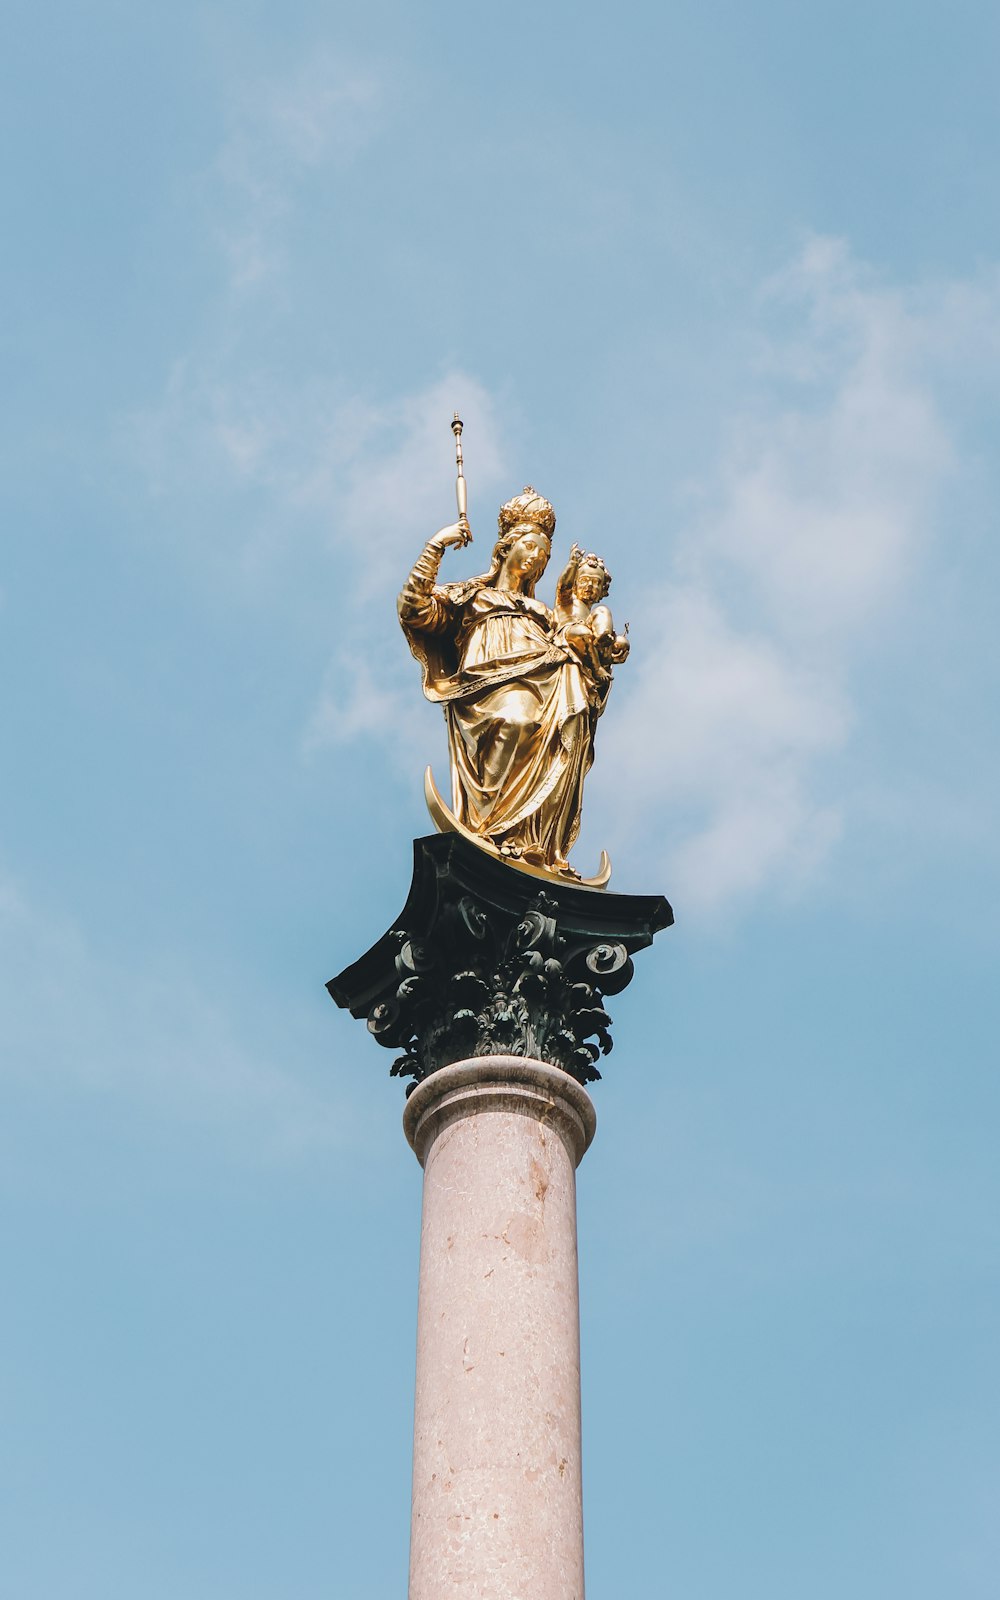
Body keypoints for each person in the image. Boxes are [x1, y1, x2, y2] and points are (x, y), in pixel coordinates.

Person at [398, 487, 597, 876]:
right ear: (506, 547)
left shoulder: (543, 612)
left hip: (547, 676)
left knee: (565, 730)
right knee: (515, 720)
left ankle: (531, 842)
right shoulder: (473, 597)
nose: (538, 556)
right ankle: (488, 826)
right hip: (489, 685)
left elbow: (579, 643)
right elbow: (415, 608)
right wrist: (437, 545)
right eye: (530, 545)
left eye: (545, 553)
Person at [554, 543, 630, 694]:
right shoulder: (567, 601)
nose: (589, 585)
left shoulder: (593, 613)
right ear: (575, 584)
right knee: (582, 632)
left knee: (603, 612)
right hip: (568, 633)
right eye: (584, 580)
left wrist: (617, 647)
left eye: (596, 583)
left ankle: (603, 638)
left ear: (602, 591)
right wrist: (573, 564)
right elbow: (563, 586)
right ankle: (597, 668)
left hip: (590, 640)